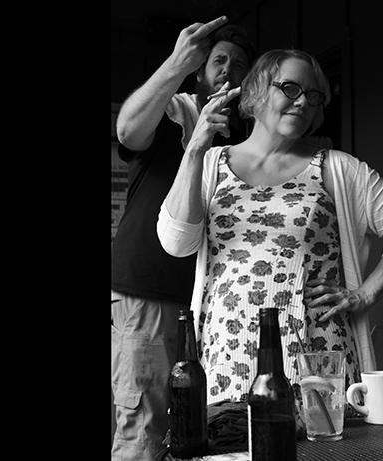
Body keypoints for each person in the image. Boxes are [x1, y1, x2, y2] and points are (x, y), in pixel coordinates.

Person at [156, 49, 383, 421]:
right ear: (257, 91)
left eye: (313, 96)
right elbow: (176, 242)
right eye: (291, 88)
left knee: (322, 449)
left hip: (316, 354)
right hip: (228, 352)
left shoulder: (337, 168)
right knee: (232, 446)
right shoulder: (213, 163)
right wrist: (196, 148)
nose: (303, 102)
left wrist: (365, 293)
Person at [111, 16, 255, 461]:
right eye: (218, 60)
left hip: (214, 306)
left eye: (238, 64)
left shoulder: (254, 136)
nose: (227, 69)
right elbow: (127, 131)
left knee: (207, 430)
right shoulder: (177, 109)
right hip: (152, 290)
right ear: (200, 71)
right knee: (145, 429)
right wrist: (176, 61)